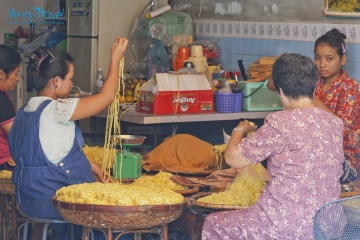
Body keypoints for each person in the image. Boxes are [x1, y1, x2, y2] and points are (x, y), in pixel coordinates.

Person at [202, 53, 344, 239]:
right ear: (314, 86)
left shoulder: (280, 122)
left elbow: (232, 158)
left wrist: (240, 129)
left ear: (281, 92)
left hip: (285, 226)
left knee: (213, 223)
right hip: (329, 226)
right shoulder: (334, 123)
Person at [8, 37, 132, 240]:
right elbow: (108, 97)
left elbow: (46, 155)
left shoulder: (23, 112)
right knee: (119, 224)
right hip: (55, 202)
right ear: (56, 81)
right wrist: (115, 60)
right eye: (70, 78)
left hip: (29, 200)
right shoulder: (57, 110)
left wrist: (90, 165)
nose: (72, 83)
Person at [312, 28, 360, 183]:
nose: (322, 64)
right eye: (318, 58)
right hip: (314, 153)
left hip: (343, 161)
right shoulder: (314, 83)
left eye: (329, 59)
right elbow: (273, 84)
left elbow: (342, 128)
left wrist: (314, 101)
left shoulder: (350, 88)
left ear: (343, 59)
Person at [0, 45, 21, 171]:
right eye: (16, 73)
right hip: (4, 163)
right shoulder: (1, 100)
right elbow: (17, 135)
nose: (17, 78)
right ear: (1, 73)